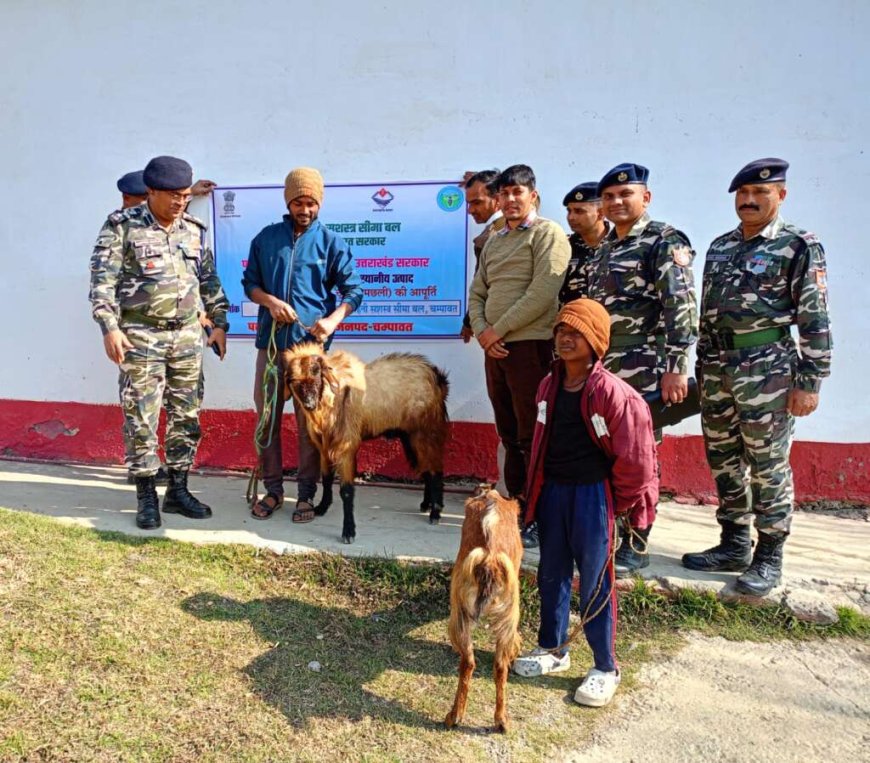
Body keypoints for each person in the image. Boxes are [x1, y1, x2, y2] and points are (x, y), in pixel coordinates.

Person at [682, 158, 833, 596]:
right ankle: (733, 543)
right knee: (724, 457)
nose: (748, 201)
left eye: (760, 193)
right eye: (742, 194)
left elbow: (815, 317)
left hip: (768, 368)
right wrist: (702, 367)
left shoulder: (798, 245)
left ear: (780, 195)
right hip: (717, 370)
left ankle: (769, 554)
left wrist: (810, 379)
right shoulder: (721, 247)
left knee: (767, 464)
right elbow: (708, 315)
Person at [512, 298, 657, 707]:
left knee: (596, 580)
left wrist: (619, 506)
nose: (564, 338)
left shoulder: (614, 395)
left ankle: (605, 667)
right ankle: (554, 649)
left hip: (594, 497)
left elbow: (636, 459)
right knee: (551, 574)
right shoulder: (548, 385)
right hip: (554, 492)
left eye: (575, 332)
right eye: (560, 331)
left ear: (596, 341)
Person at [90, 155, 230, 530]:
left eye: (185, 195)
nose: (180, 202)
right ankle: (146, 495)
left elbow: (209, 280)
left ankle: (178, 491)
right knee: (142, 416)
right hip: (140, 336)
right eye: (172, 196)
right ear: (150, 191)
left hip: (186, 334)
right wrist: (109, 327)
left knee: (186, 414)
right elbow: (101, 283)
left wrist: (218, 323)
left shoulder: (194, 229)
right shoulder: (122, 227)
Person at [582, 162, 698, 576]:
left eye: (625, 194)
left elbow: (681, 307)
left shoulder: (664, 241)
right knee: (605, 449)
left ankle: (638, 541)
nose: (616, 202)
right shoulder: (606, 248)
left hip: (646, 365)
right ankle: (610, 531)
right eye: (609, 196)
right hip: (605, 368)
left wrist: (676, 368)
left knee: (640, 453)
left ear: (644, 198)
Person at [242, 167, 363, 523]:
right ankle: (273, 489)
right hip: (272, 347)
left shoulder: (330, 243)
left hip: (311, 354)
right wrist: (270, 302)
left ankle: (306, 494)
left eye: (311, 202)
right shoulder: (266, 238)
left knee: (311, 425)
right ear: (288, 202)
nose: (305, 209)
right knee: (267, 419)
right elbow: (249, 283)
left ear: (319, 203)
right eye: (298, 202)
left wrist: (332, 319)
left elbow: (354, 291)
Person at [467, 164, 571, 548]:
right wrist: (483, 332)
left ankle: (540, 514)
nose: (511, 200)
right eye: (505, 194)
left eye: (518, 193)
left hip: (530, 347)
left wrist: (499, 329)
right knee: (509, 433)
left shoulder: (548, 234)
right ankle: (515, 509)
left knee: (534, 434)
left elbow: (544, 290)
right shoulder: (495, 241)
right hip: (495, 349)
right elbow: (478, 292)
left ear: (533, 197)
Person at [461, 169, 504, 343]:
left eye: (477, 202)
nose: (470, 210)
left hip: (501, 331)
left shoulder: (500, 232)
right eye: (469, 203)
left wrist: (469, 322)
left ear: (498, 200)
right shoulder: (496, 229)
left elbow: (482, 283)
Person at [559, 182, 610, 307]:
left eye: (579, 211)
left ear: (601, 212)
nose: (571, 217)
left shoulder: (620, 245)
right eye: (569, 211)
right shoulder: (563, 247)